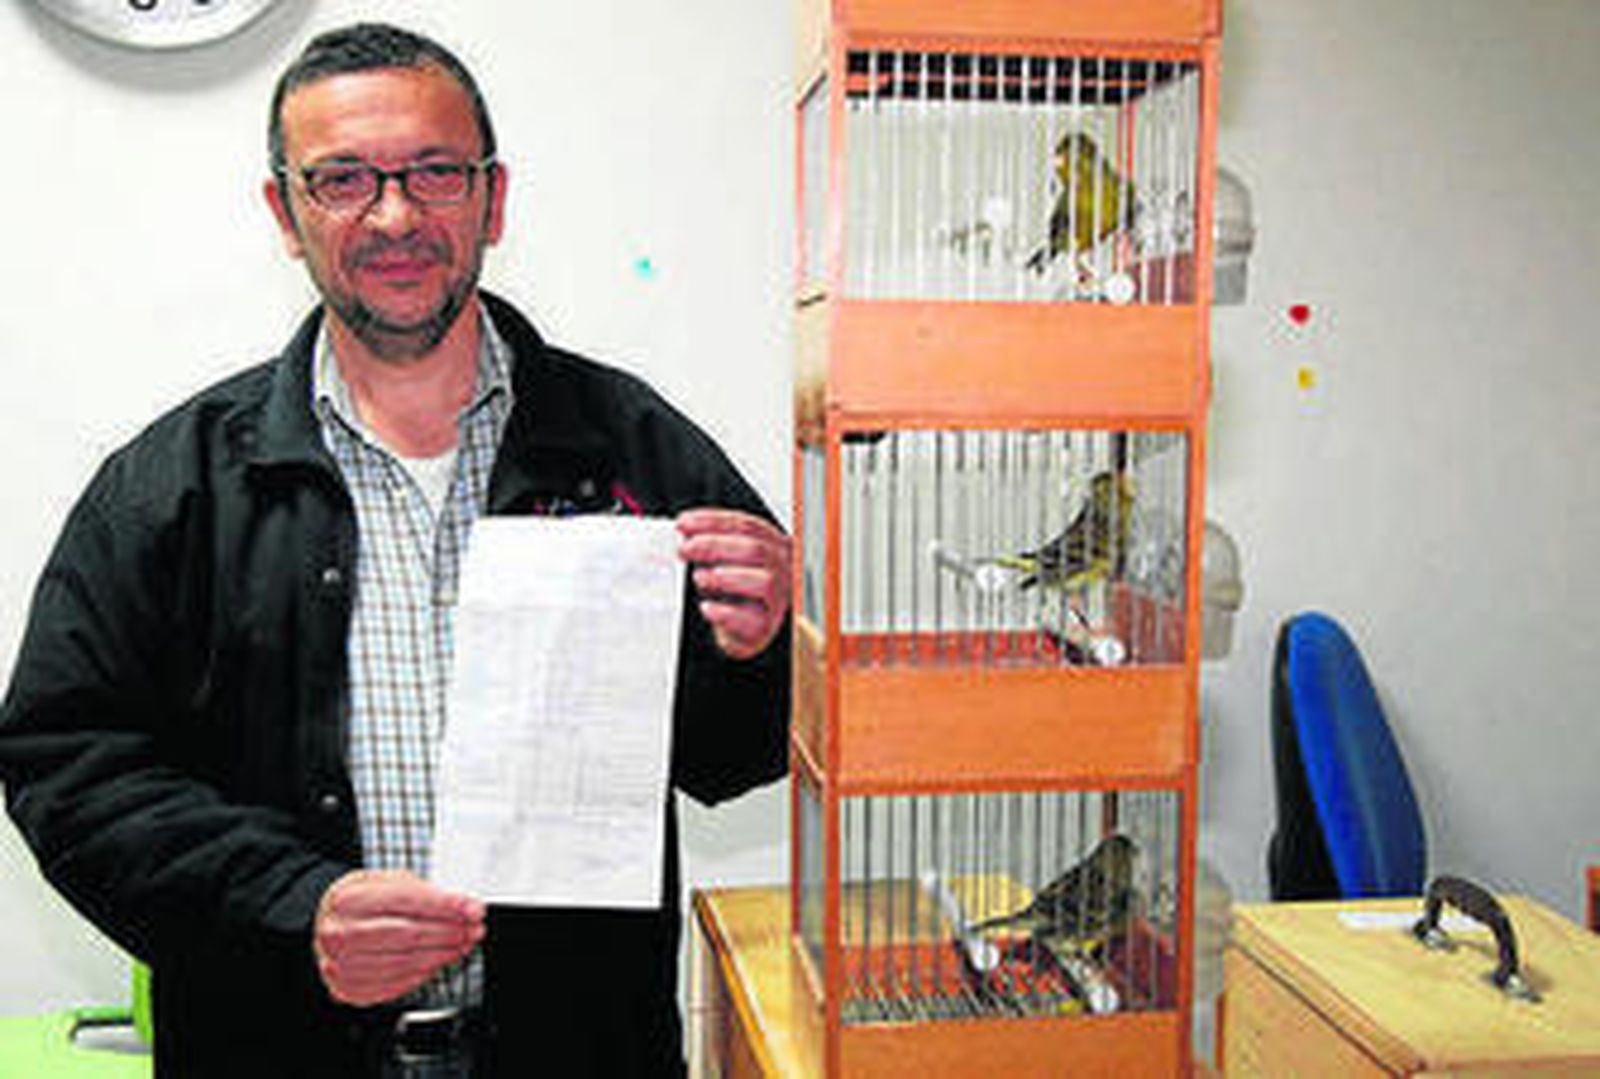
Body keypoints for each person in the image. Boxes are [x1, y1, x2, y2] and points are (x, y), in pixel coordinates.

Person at [0, 22, 790, 1078]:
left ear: (492, 199)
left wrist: (762, 649)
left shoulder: (632, 444)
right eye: (342, 179)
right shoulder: (171, 486)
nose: (395, 215)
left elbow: (738, 754)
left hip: (577, 1051)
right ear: (285, 213)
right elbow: (66, 765)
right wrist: (291, 906)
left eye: (435, 172)